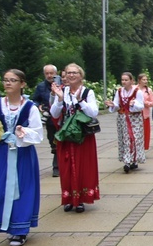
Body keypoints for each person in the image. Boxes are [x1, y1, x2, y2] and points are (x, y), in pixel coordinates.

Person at [49, 63, 100, 213]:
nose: (71, 75)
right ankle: (69, 198)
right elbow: (54, 114)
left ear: (81, 76)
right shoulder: (62, 92)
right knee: (66, 167)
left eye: (75, 73)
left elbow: (93, 113)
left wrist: (80, 101)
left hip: (82, 136)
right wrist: (58, 100)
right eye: (68, 73)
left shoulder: (87, 92)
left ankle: (80, 200)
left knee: (82, 166)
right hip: (66, 135)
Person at [0, 69, 42, 246]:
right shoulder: (0, 104)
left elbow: (38, 133)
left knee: (22, 189)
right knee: (1, 189)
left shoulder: (29, 107)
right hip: (2, 153)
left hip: (22, 154)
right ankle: (6, 224)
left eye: (13, 80)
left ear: (22, 84)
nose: (8, 83)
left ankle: (20, 229)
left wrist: (23, 132)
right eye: (5, 80)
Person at [105, 72, 145, 173]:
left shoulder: (137, 92)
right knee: (125, 139)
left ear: (132, 81)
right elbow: (117, 104)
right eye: (122, 80)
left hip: (134, 119)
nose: (124, 82)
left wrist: (133, 104)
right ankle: (127, 161)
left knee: (134, 139)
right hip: (122, 118)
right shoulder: (119, 91)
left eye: (126, 80)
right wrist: (112, 105)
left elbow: (141, 106)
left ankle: (134, 159)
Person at [32, 64, 60, 176]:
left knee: (60, 142)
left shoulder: (61, 84)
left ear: (55, 73)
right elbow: (35, 100)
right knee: (52, 142)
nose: (49, 75)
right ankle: (57, 162)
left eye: (51, 73)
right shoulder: (41, 87)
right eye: (47, 73)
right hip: (49, 119)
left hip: (61, 118)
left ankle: (56, 167)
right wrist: (38, 106)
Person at [137, 74, 153, 151]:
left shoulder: (148, 90)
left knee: (145, 132)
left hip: (145, 114)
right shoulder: (134, 89)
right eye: (143, 79)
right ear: (139, 80)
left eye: (146, 79)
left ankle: (143, 148)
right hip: (135, 114)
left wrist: (146, 103)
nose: (145, 81)